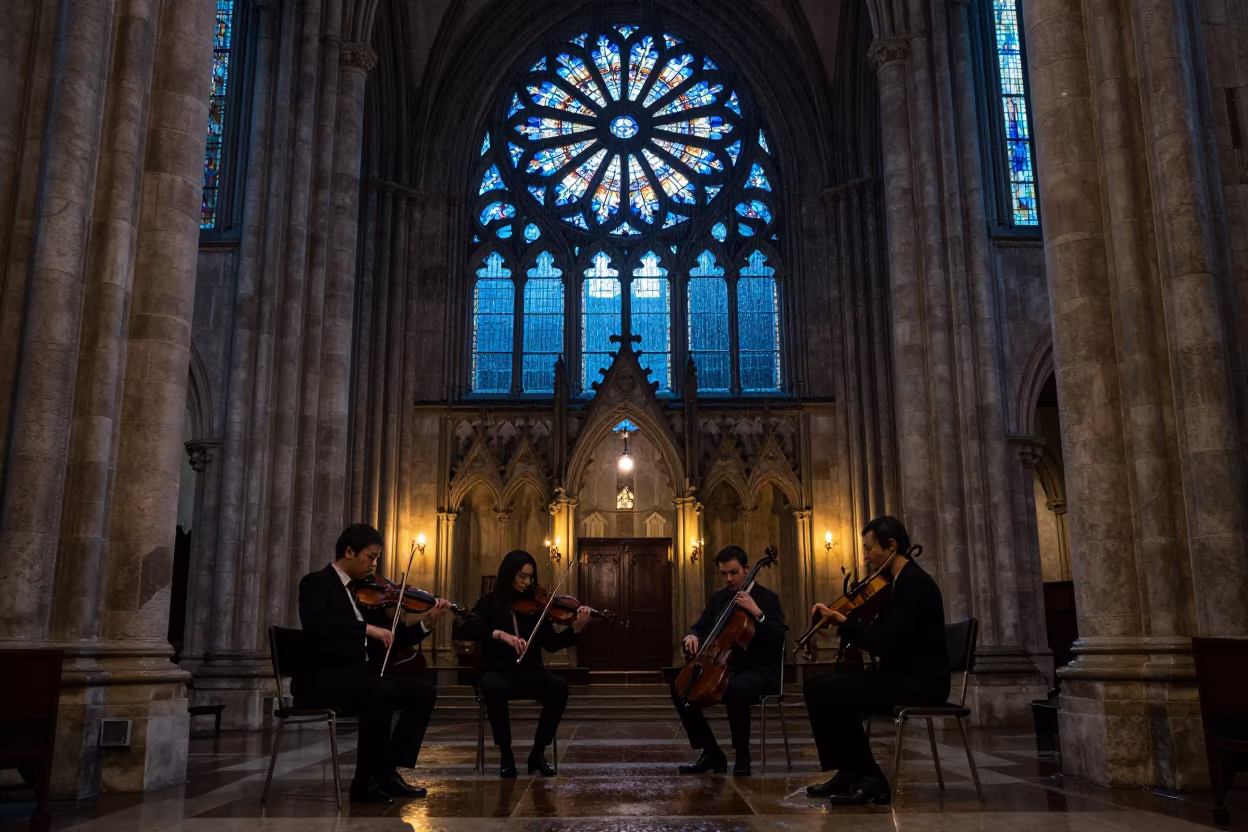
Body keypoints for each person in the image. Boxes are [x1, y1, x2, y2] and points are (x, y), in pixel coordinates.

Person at [293, 523, 452, 804]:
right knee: (380, 692)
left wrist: (426, 623)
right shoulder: (316, 583)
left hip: (359, 677)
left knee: (423, 691)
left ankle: (387, 770)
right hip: (322, 679)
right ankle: (363, 782)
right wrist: (365, 629)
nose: (374, 564)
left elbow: (394, 637)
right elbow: (317, 625)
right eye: (371, 556)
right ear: (350, 551)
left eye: (377, 557)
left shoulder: (364, 593)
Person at [802, 515, 950, 805]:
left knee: (830, 691)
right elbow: (886, 636)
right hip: (901, 675)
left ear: (891, 546)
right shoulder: (897, 583)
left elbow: (888, 643)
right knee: (816, 686)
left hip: (921, 682)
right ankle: (851, 772)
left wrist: (844, 623)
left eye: (870, 549)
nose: (866, 556)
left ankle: (871, 778)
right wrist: (850, 623)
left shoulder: (914, 584)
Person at [457, 549, 593, 778]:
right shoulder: (490, 604)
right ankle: (506, 754)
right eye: (522, 576)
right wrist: (500, 634)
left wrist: (576, 628)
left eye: (530, 577)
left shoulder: (536, 607)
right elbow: (466, 629)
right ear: (509, 574)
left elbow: (551, 643)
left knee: (559, 687)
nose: (527, 582)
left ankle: (537, 754)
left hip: (528, 673)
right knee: (494, 687)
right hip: (497, 672)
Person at [670, 545, 785, 777]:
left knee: (736, 689)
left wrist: (757, 613)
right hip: (722, 665)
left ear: (747, 569)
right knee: (680, 686)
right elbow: (701, 626)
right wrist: (691, 635)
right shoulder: (720, 598)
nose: (729, 579)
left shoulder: (767, 598)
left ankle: (742, 755)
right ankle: (712, 753)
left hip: (758, 670)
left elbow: (777, 639)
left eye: (733, 573)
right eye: (724, 574)